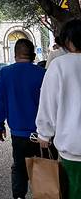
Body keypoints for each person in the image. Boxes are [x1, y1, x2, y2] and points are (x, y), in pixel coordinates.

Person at [0, 38, 45, 199]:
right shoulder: (42, 73)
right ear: (33, 55)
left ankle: (19, 196)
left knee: (19, 167)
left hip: (18, 133)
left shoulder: (5, 73)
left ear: (15, 55)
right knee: (43, 166)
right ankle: (45, 193)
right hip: (42, 133)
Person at [36, 19, 81, 198]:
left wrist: (44, 134)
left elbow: (48, 102)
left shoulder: (59, 65)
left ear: (68, 40)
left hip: (72, 150)